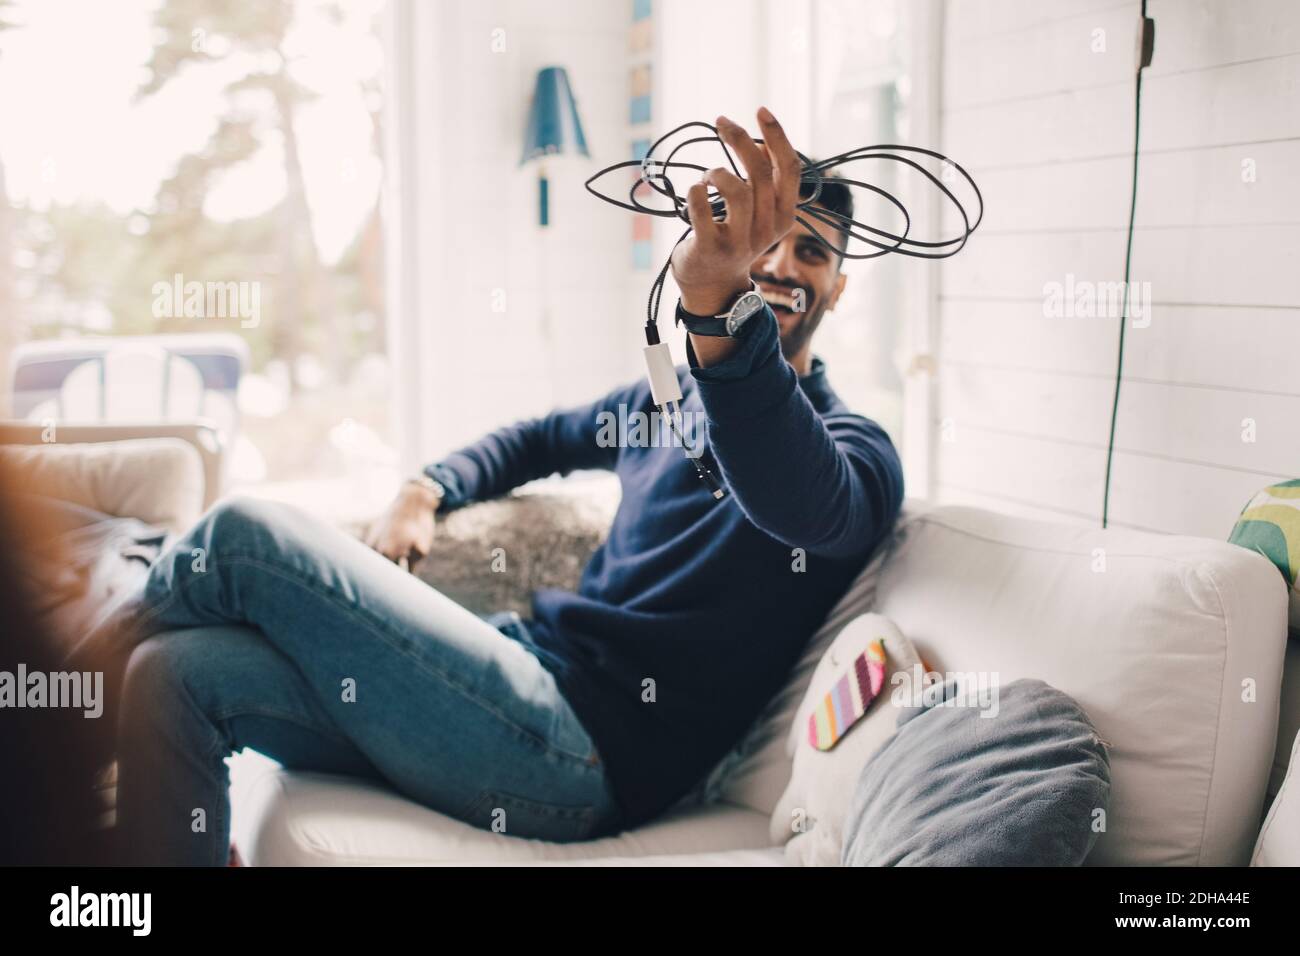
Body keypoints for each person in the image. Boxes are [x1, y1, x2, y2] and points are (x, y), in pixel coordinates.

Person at [99, 108, 904, 864]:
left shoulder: (855, 453)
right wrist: (428, 485)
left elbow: (790, 490)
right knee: (173, 676)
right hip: (518, 683)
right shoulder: (664, 401)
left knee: (245, 536)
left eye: (812, 252)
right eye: (768, 241)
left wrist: (720, 307)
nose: (782, 265)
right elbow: (536, 438)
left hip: (579, 755)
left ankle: (49, 706)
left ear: (840, 286)